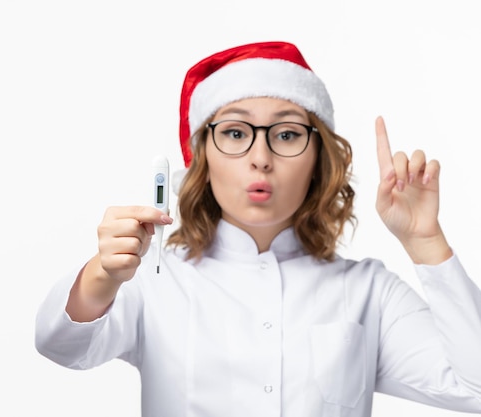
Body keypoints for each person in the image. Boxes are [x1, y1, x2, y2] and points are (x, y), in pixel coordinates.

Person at [34, 41, 481, 416]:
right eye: (234, 132)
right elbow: (61, 345)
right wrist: (102, 273)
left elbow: (475, 388)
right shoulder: (155, 279)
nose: (260, 157)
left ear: (317, 159)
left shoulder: (369, 291)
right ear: (202, 158)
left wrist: (425, 242)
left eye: (286, 134)